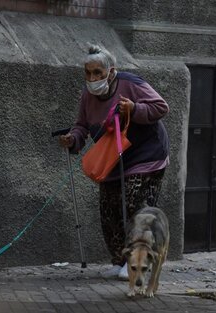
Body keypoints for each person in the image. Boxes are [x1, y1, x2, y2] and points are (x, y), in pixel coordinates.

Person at [59, 45, 169, 280]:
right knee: (109, 210)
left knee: (134, 204)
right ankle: (119, 259)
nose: (92, 78)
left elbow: (161, 106)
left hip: (145, 154)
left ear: (111, 72)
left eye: (98, 72)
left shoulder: (131, 83)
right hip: (112, 157)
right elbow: (82, 126)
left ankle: (139, 262)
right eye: (88, 73)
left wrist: (134, 108)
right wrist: (73, 139)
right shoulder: (88, 95)